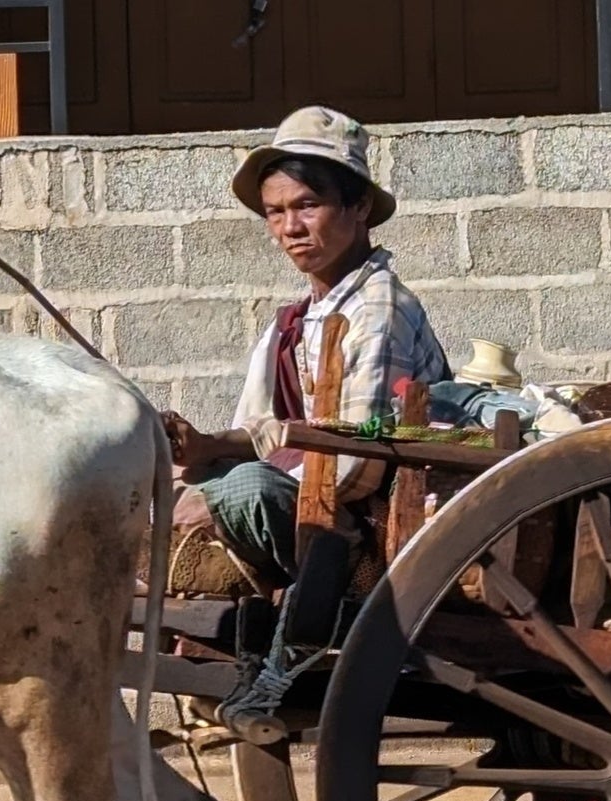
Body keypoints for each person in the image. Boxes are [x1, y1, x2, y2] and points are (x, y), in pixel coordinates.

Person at [159, 107, 450, 746]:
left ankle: (308, 617)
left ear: (358, 210)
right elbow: (263, 429)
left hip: (372, 522)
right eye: (276, 212)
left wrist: (216, 497)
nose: (291, 227)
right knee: (195, 484)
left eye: (309, 205)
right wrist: (205, 449)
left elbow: (356, 464)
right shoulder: (296, 320)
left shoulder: (379, 310)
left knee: (240, 494)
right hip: (305, 495)